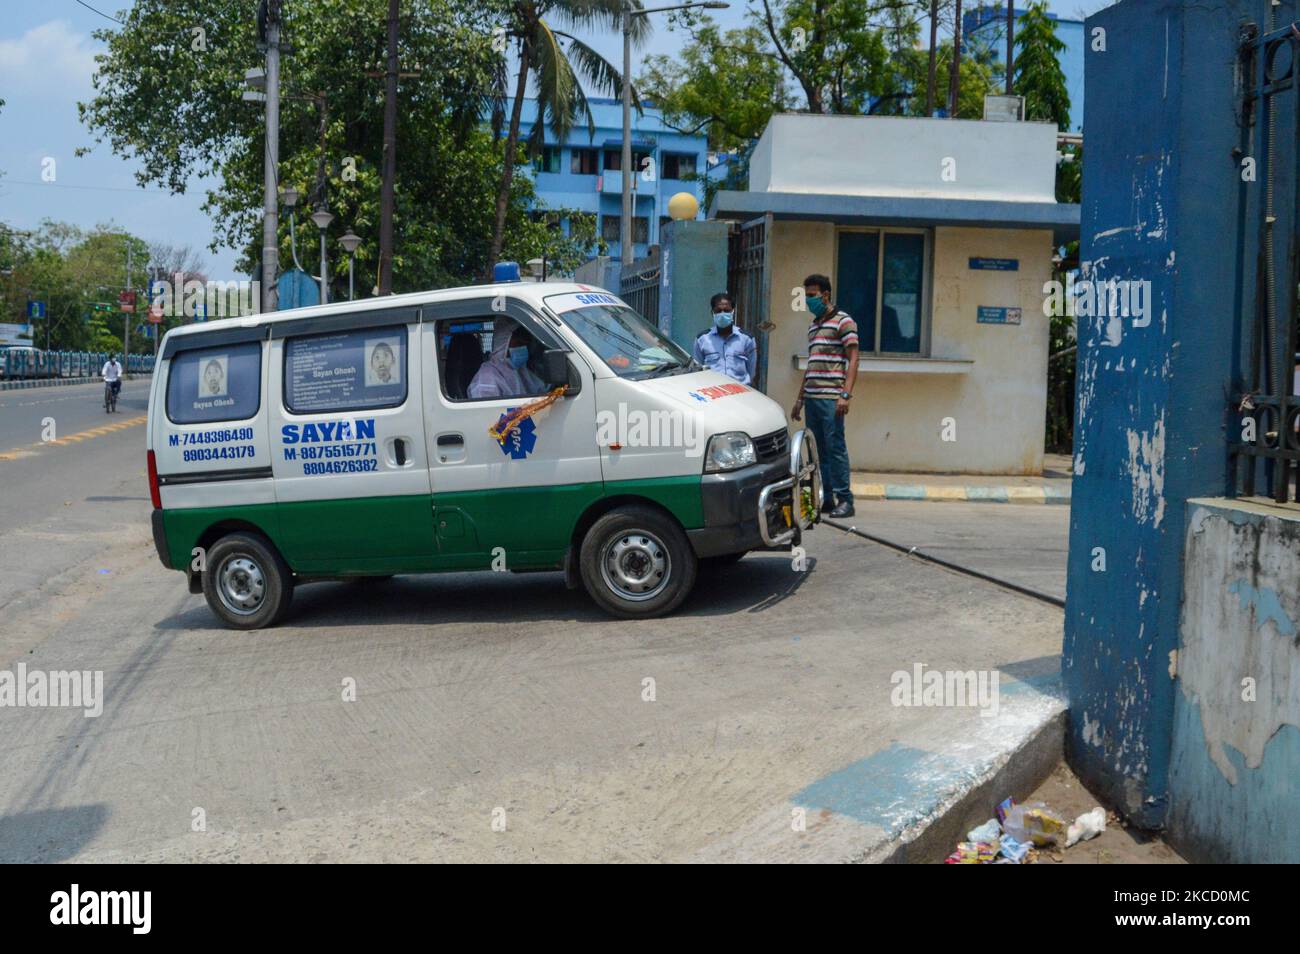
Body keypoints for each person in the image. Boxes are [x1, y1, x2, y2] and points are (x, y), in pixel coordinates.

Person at [791, 274, 857, 518]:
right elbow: (812, 365)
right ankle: (826, 497)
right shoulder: (814, 325)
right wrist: (800, 399)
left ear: (826, 294)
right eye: (806, 296)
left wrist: (845, 394)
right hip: (812, 397)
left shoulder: (844, 322)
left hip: (832, 397)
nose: (809, 300)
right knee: (817, 451)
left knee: (836, 448)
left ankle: (845, 499)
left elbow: (853, 359)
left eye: (812, 296)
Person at [467, 317, 546, 400]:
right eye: (518, 343)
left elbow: (541, 391)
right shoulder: (487, 378)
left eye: (526, 345)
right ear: (503, 343)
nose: (523, 348)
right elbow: (487, 411)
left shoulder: (521, 371)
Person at [692, 292, 757, 385]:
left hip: (740, 392)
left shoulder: (747, 339)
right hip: (713, 393)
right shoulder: (702, 339)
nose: (722, 314)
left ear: (733, 312)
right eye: (718, 311)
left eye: (726, 310)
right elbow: (697, 370)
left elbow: (751, 371)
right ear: (712, 313)